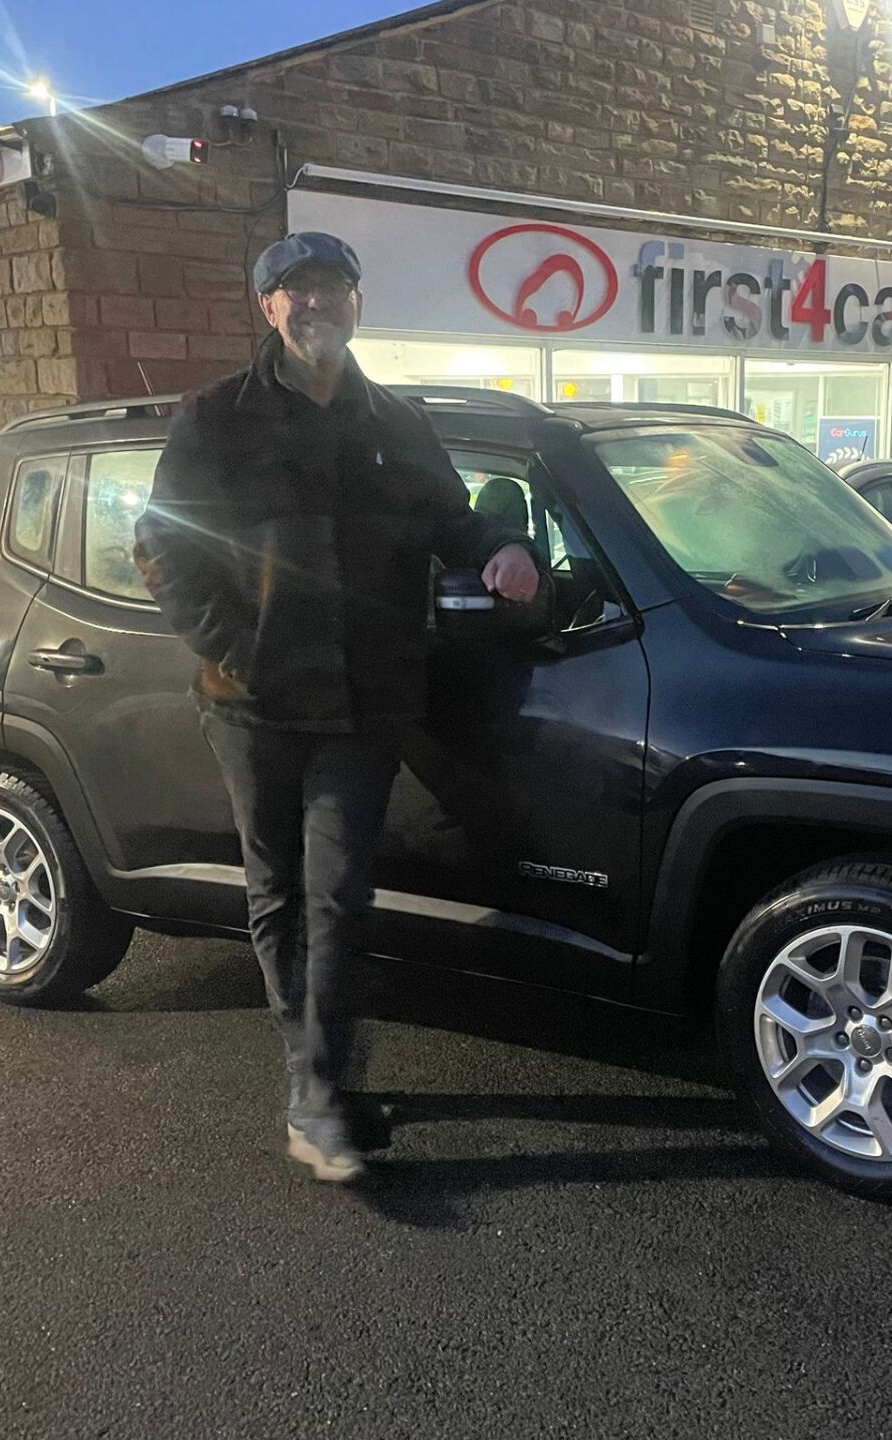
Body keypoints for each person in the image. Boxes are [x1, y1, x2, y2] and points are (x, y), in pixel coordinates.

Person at [134, 231, 538, 1183]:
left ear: (357, 304)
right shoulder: (214, 419)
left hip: (367, 702)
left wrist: (502, 544)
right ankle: (312, 1083)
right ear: (268, 308)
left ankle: (316, 1090)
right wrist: (241, 651)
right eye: (297, 289)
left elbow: (454, 515)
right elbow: (162, 548)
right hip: (252, 707)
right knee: (275, 893)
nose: (318, 302)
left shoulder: (395, 420)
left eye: (335, 288)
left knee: (339, 897)